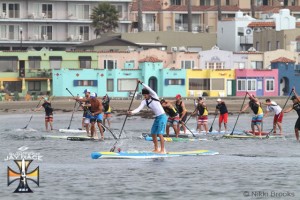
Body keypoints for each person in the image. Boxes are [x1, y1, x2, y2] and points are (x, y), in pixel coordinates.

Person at [128, 80, 167, 153]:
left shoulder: (154, 96)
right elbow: (138, 109)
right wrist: (131, 112)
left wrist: (141, 83)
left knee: (160, 134)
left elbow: (149, 88)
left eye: (146, 95)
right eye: (144, 95)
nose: (145, 96)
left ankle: (162, 150)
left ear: (149, 94)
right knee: (153, 133)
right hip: (157, 118)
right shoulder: (144, 102)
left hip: (162, 116)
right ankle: (156, 149)